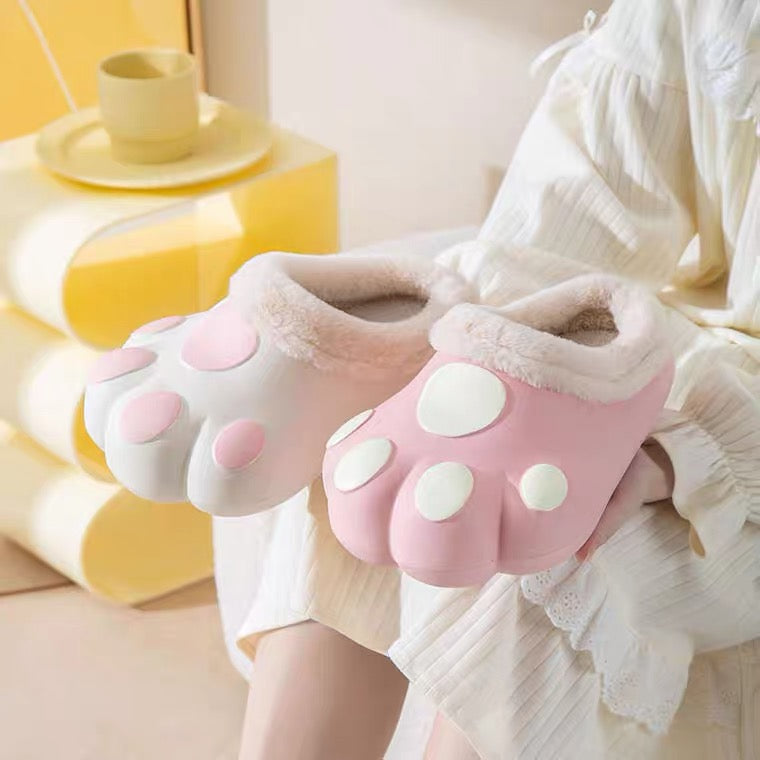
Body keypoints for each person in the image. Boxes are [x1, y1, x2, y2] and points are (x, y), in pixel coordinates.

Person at [213, 0, 760, 756]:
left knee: (547, 561)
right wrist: (438, 350)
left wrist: (678, 455)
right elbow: (565, 222)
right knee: (363, 468)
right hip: (659, 359)